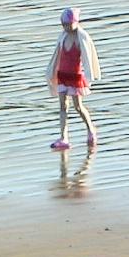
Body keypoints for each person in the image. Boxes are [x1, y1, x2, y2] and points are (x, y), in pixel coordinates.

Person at [48, 9, 98, 155]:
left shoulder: (81, 37)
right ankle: (64, 138)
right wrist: (51, 73)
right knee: (63, 106)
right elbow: (56, 56)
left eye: (68, 24)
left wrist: (89, 76)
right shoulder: (62, 37)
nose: (66, 28)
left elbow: (89, 57)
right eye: (64, 25)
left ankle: (91, 130)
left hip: (75, 77)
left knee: (78, 107)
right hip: (62, 75)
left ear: (75, 23)